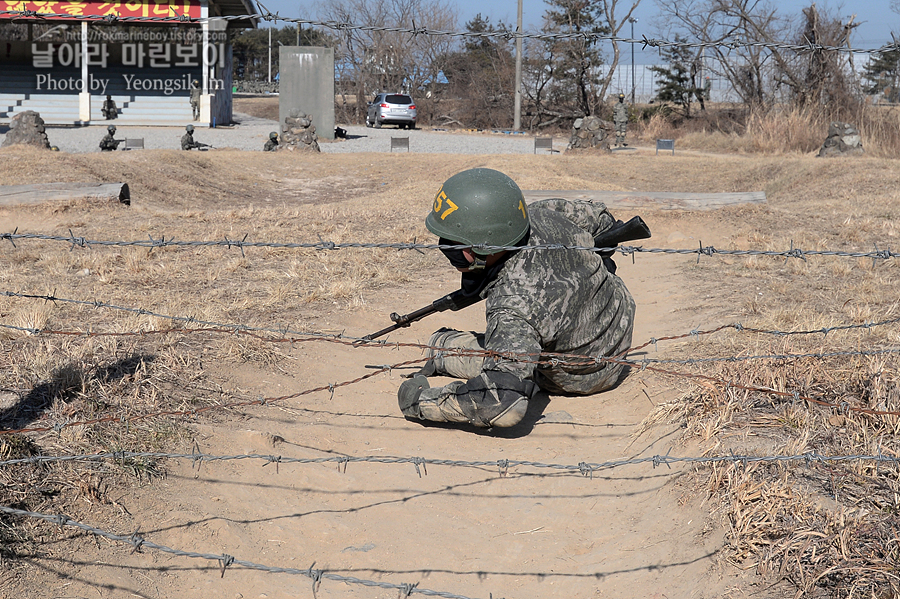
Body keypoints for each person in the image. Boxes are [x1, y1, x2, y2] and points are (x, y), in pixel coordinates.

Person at [397, 168, 636, 430]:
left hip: (582, 375)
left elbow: (502, 404)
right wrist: (587, 268)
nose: (448, 252)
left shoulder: (512, 303)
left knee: (447, 345)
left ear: (485, 246)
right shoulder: (546, 211)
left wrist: (420, 402)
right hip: (618, 323)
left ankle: (442, 351)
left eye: (454, 246)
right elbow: (604, 220)